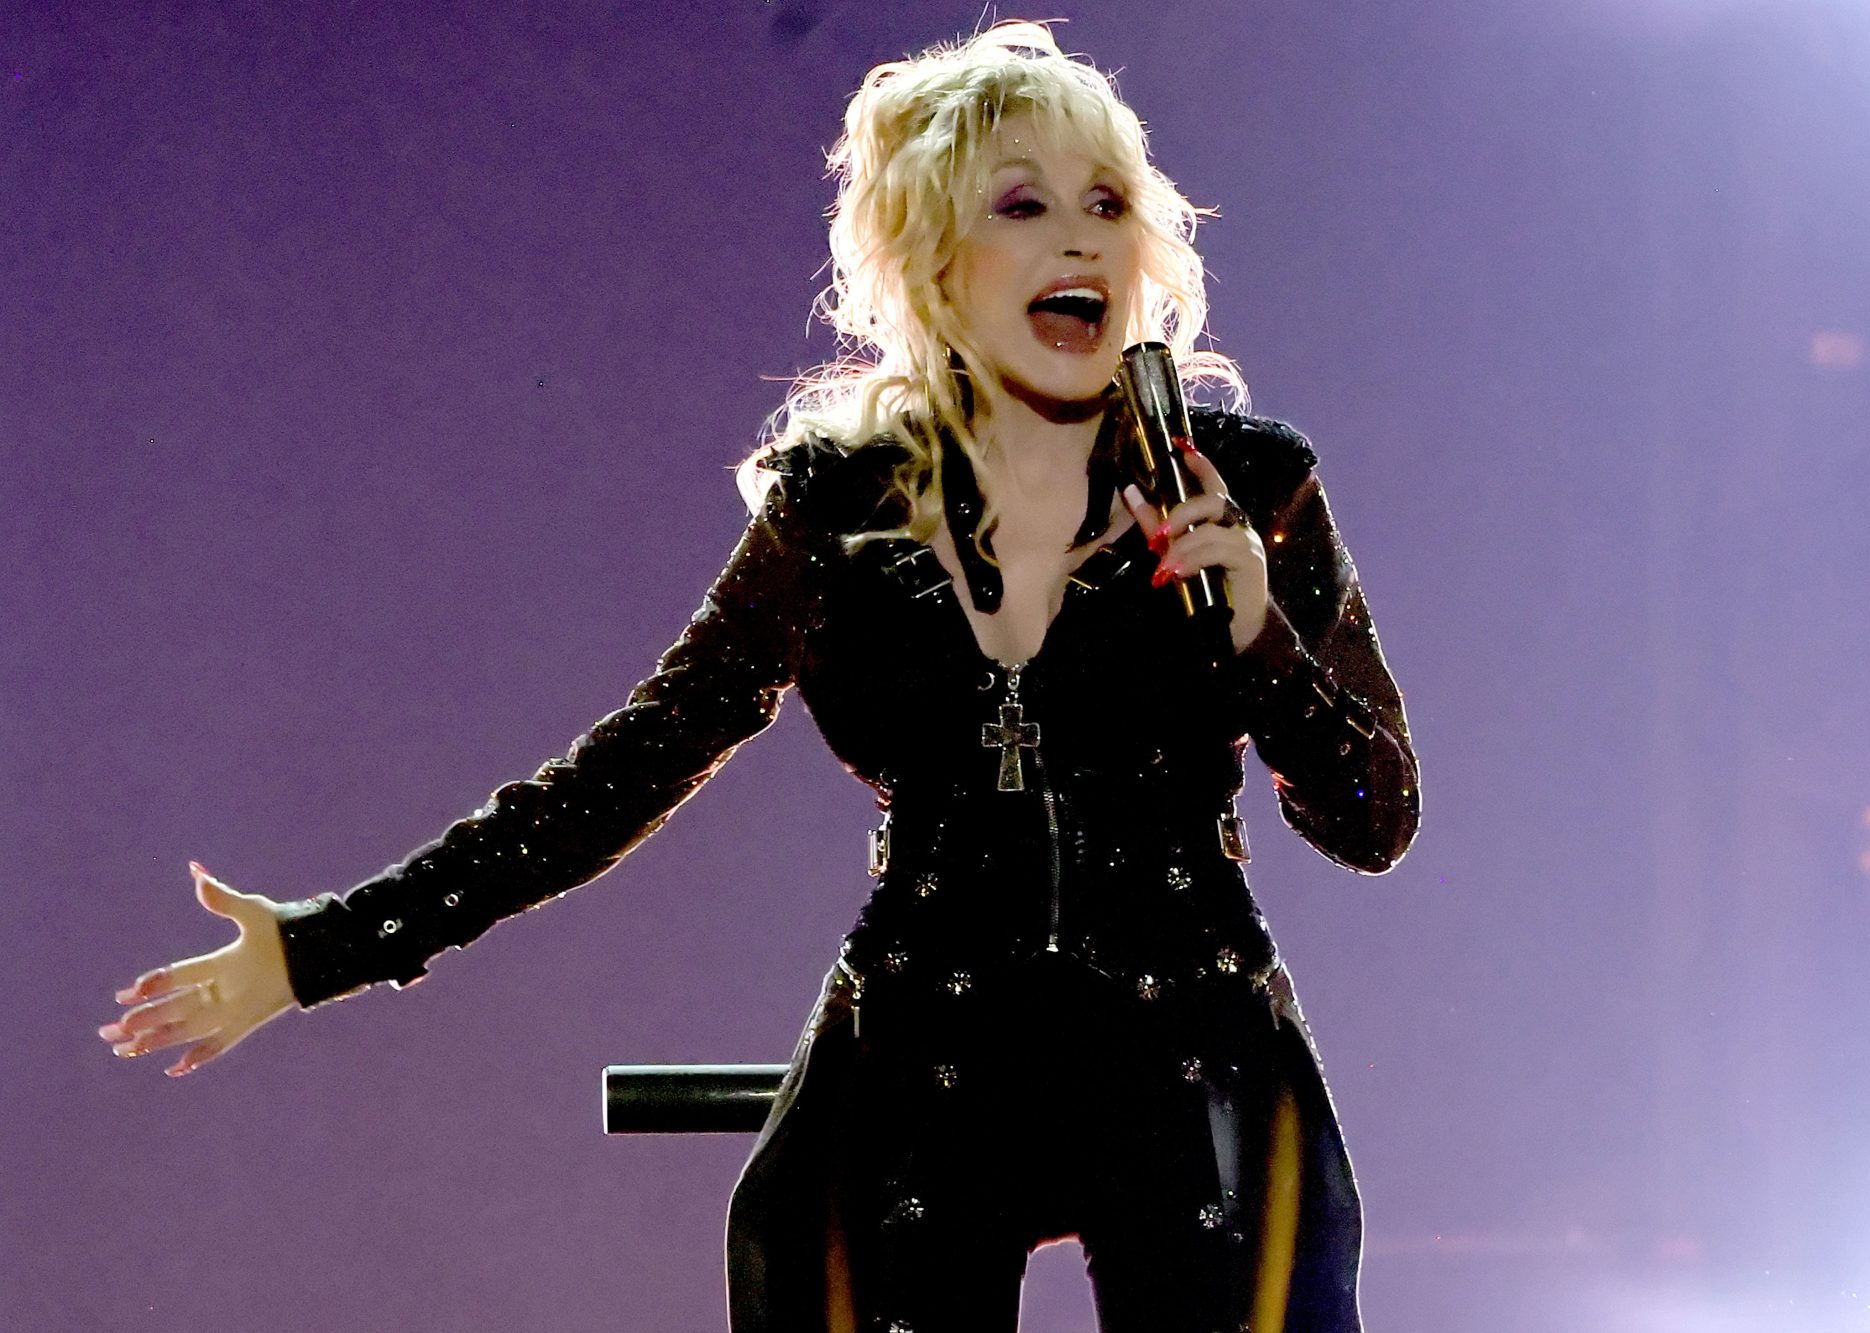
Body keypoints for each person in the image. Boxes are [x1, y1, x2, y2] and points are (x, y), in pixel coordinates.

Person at [98, 20, 1419, 1332]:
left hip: (1189, 1045)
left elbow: (1375, 817)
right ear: (936, 261)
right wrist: (323, 948)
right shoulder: (838, 513)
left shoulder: (1244, 484)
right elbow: (619, 773)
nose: (1081, 239)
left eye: (1109, 203)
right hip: (925, 1048)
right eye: (1024, 203)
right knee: (816, 1239)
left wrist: (1258, 637)